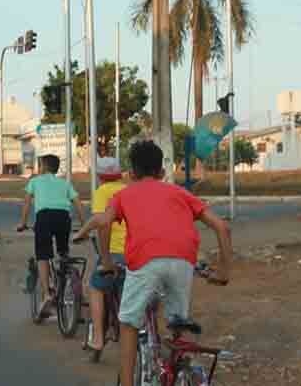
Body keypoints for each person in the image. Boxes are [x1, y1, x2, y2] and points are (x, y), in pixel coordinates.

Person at [74, 140, 232, 386]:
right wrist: (223, 271)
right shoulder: (182, 193)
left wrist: (106, 262)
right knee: (176, 321)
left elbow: (103, 223)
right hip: (183, 261)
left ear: (131, 173)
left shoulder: (123, 194)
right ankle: (180, 366)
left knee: (128, 323)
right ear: (162, 172)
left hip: (145, 261)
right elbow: (222, 227)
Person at [17, 154, 85, 317]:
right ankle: (64, 276)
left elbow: (27, 203)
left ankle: (47, 293)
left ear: (43, 167)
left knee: (42, 255)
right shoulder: (64, 183)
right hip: (63, 218)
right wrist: (84, 225)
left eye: (39, 165)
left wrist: (23, 223)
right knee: (63, 252)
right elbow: (78, 203)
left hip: (44, 218)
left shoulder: (34, 182)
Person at [84, 157, 128, 354]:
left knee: (94, 287)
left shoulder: (102, 192)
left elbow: (102, 223)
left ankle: (99, 338)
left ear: (100, 176)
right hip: (135, 250)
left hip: (115, 251)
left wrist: (105, 256)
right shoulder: (128, 190)